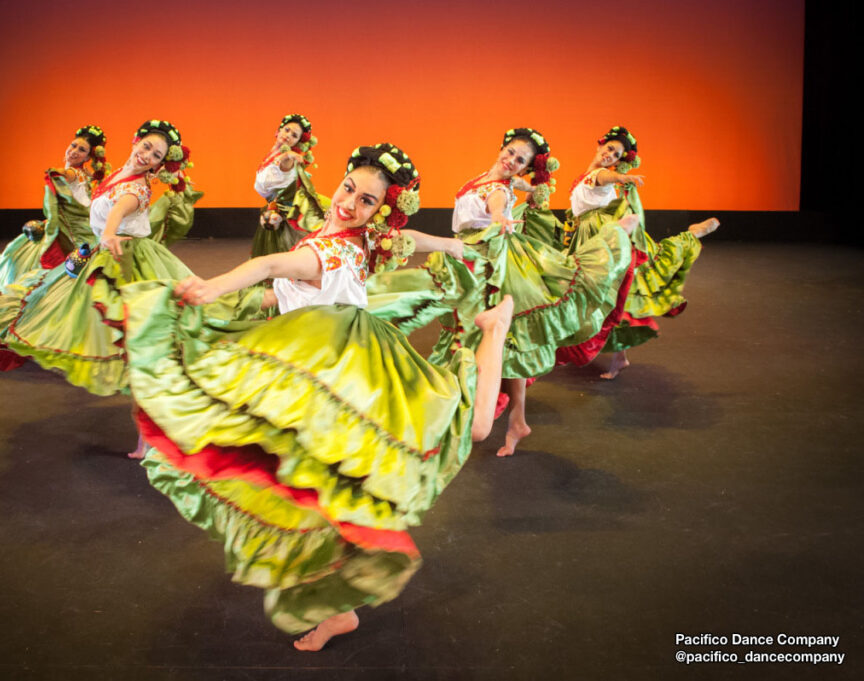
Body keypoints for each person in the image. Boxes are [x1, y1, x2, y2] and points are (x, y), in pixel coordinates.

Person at [120, 143, 513, 650]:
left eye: (367, 201)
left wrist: (214, 287)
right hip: (334, 372)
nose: (350, 202)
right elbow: (375, 250)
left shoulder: (326, 249)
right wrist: (451, 246)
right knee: (330, 492)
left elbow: (269, 268)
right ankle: (340, 607)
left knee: (459, 433)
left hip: (347, 374)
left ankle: (494, 330)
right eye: (350, 188)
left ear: (379, 209)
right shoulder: (356, 238)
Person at [430, 128, 636, 456]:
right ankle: (514, 419)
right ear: (502, 148)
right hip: (473, 256)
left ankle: (480, 414)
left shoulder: (497, 188)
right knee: (506, 342)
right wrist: (531, 186)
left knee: (488, 338)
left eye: (520, 160)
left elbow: (497, 204)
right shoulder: (494, 178)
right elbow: (516, 186)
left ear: (525, 165)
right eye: (510, 153)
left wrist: (501, 215)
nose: (511, 161)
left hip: (490, 259)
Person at [0, 119, 202, 397]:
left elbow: (120, 209)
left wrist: (108, 232)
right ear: (136, 141)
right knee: (78, 303)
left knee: (119, 311)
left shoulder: (138, 188)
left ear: (159, 165)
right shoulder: (120, 173)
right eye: (146, 146)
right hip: (102, 248)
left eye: (156, 155)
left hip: (124, 253)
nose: (147, 155)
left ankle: (127, 363)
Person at [565, 126, 719, 379]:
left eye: (616, 155)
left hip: (603, 237)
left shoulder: (601, 175)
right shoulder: (588, 173)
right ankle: (618, 356)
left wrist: (623, 178)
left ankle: (691, 236)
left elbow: (605, 177)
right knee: (613, 296)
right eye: (610, 148)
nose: (611, 155)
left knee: (611, 295)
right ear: (600, 145)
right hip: (591, 236)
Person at [0, 124, 109, 369]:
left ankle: (55, 337)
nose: (74, 151)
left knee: (61, 286)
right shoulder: (82, 174)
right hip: (70, 236)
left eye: (82, 150)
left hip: (79, 244)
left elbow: (67, 179)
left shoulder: (75, 174)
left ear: (89, 157)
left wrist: (56, 172)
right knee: (47, 282)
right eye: (73, 145)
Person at [252, 113, 326, 258]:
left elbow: (286, 161)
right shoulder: (273, 153)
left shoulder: (286, 159)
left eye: (294, 135)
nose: (288, 135)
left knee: (284, 254)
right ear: (278, 130)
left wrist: (288, 155)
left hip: (286, 214)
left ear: (297, 141)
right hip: (274, 209)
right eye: (286, 130)